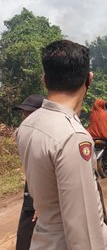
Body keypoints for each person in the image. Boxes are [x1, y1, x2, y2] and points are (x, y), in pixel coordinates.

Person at [15, 40, 107, 249]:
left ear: (44, 80)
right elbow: (83, 227)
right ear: (89, 79)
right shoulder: (73, 136)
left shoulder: (28, 125)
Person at [13, 94, 44, 250]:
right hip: (31, 186)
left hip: (42, 189)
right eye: (23, 114)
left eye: (29, 113)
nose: (25, 117)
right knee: (25, 234)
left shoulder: (46, 137)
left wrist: (40, 200)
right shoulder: (23, 133)